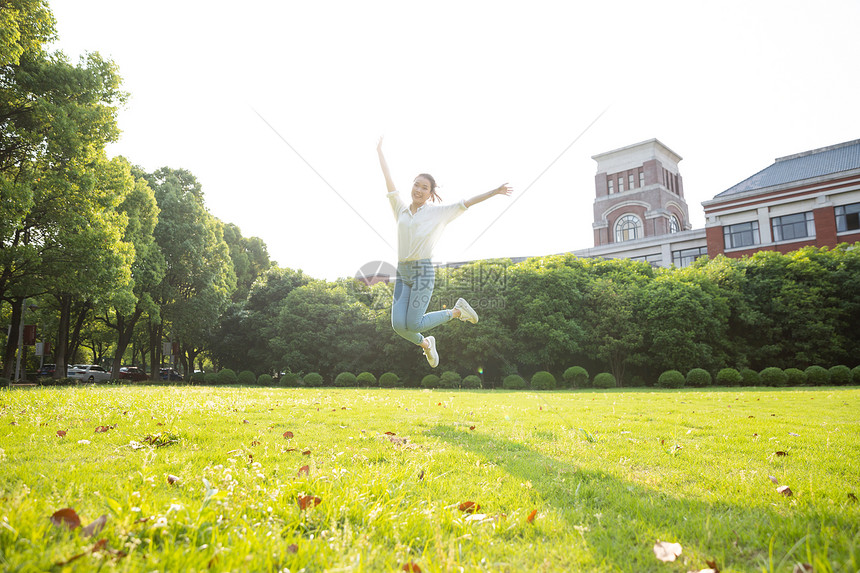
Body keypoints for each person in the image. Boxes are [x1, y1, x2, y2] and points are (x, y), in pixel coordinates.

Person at [377, 137, 513, 367]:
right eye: (416, 184)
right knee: (399, 326)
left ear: (430, 194)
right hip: (402, 272)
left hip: (422, 272)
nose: (419, 189)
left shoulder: (438, 213)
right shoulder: (400, 209)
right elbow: (389, 180)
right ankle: (426, 344)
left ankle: (457, 312)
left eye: (424, 187)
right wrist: (380, 151)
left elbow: (467, 203)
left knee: (415, 323)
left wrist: (495, 191)